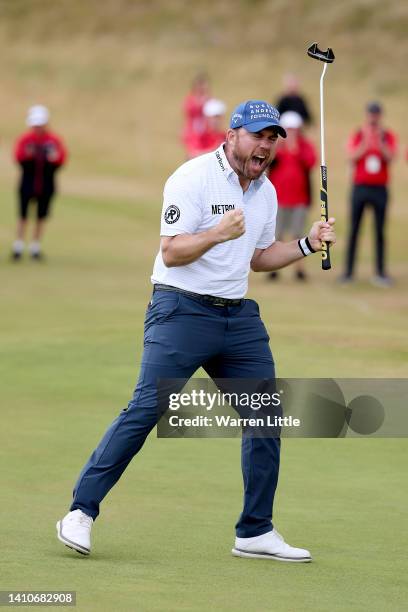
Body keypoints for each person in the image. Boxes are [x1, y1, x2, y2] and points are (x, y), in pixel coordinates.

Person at [56, 100, 335, 562]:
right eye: (257, 136)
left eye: (272, 139)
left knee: (265, 415)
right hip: (181, 310)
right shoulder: (192, 178)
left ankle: (255, 531)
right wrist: (216, 234)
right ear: (232, 136)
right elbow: (171, 252)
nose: (265, 146)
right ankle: (80, 512)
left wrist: (306, 244)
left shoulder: (265, 192)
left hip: (237, 317)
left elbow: (258, 257)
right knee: (146, 409)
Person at [341, 101, 397, 286]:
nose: (373, 118)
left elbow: (391, 156)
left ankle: (380, 272)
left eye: (376, 114)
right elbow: (351, 156)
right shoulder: (359, 134)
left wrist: (379, 142)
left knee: (380, 231)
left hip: (380, 188)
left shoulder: (387, 135)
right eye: (371, 114)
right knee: (354, 229)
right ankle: (348, 273)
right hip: (361, 187)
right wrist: (366, 142)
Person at [11, 105, 67, 260]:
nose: (37, 128)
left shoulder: (53, 141)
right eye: (35, 124)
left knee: (41, 216)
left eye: (40, 124)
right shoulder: (26, 140)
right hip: (27, 182)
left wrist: (54, 158)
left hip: (46, 184)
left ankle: (35, 247)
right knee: (23, 216)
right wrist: (28, 156)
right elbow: (18, 157)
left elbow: (61, 159)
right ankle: (18, 246)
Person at [268, 111, 317, 281]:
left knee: (298, 233)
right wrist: (281, 146)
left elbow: (311, 162)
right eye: (288, 129)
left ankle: (299, 269)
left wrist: (296, 149)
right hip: (278, 199)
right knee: (277, 234)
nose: (292, 133)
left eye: (295, 129)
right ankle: (273, 268)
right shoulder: (276, 147)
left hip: (299, 199)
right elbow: (268, 162)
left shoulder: (304, 146)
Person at [181, 73, 210, 159]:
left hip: (206, 134)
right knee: (193, 155)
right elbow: (189, 110)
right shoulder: (190, 100)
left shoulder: (208, 99)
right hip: (193, 133)